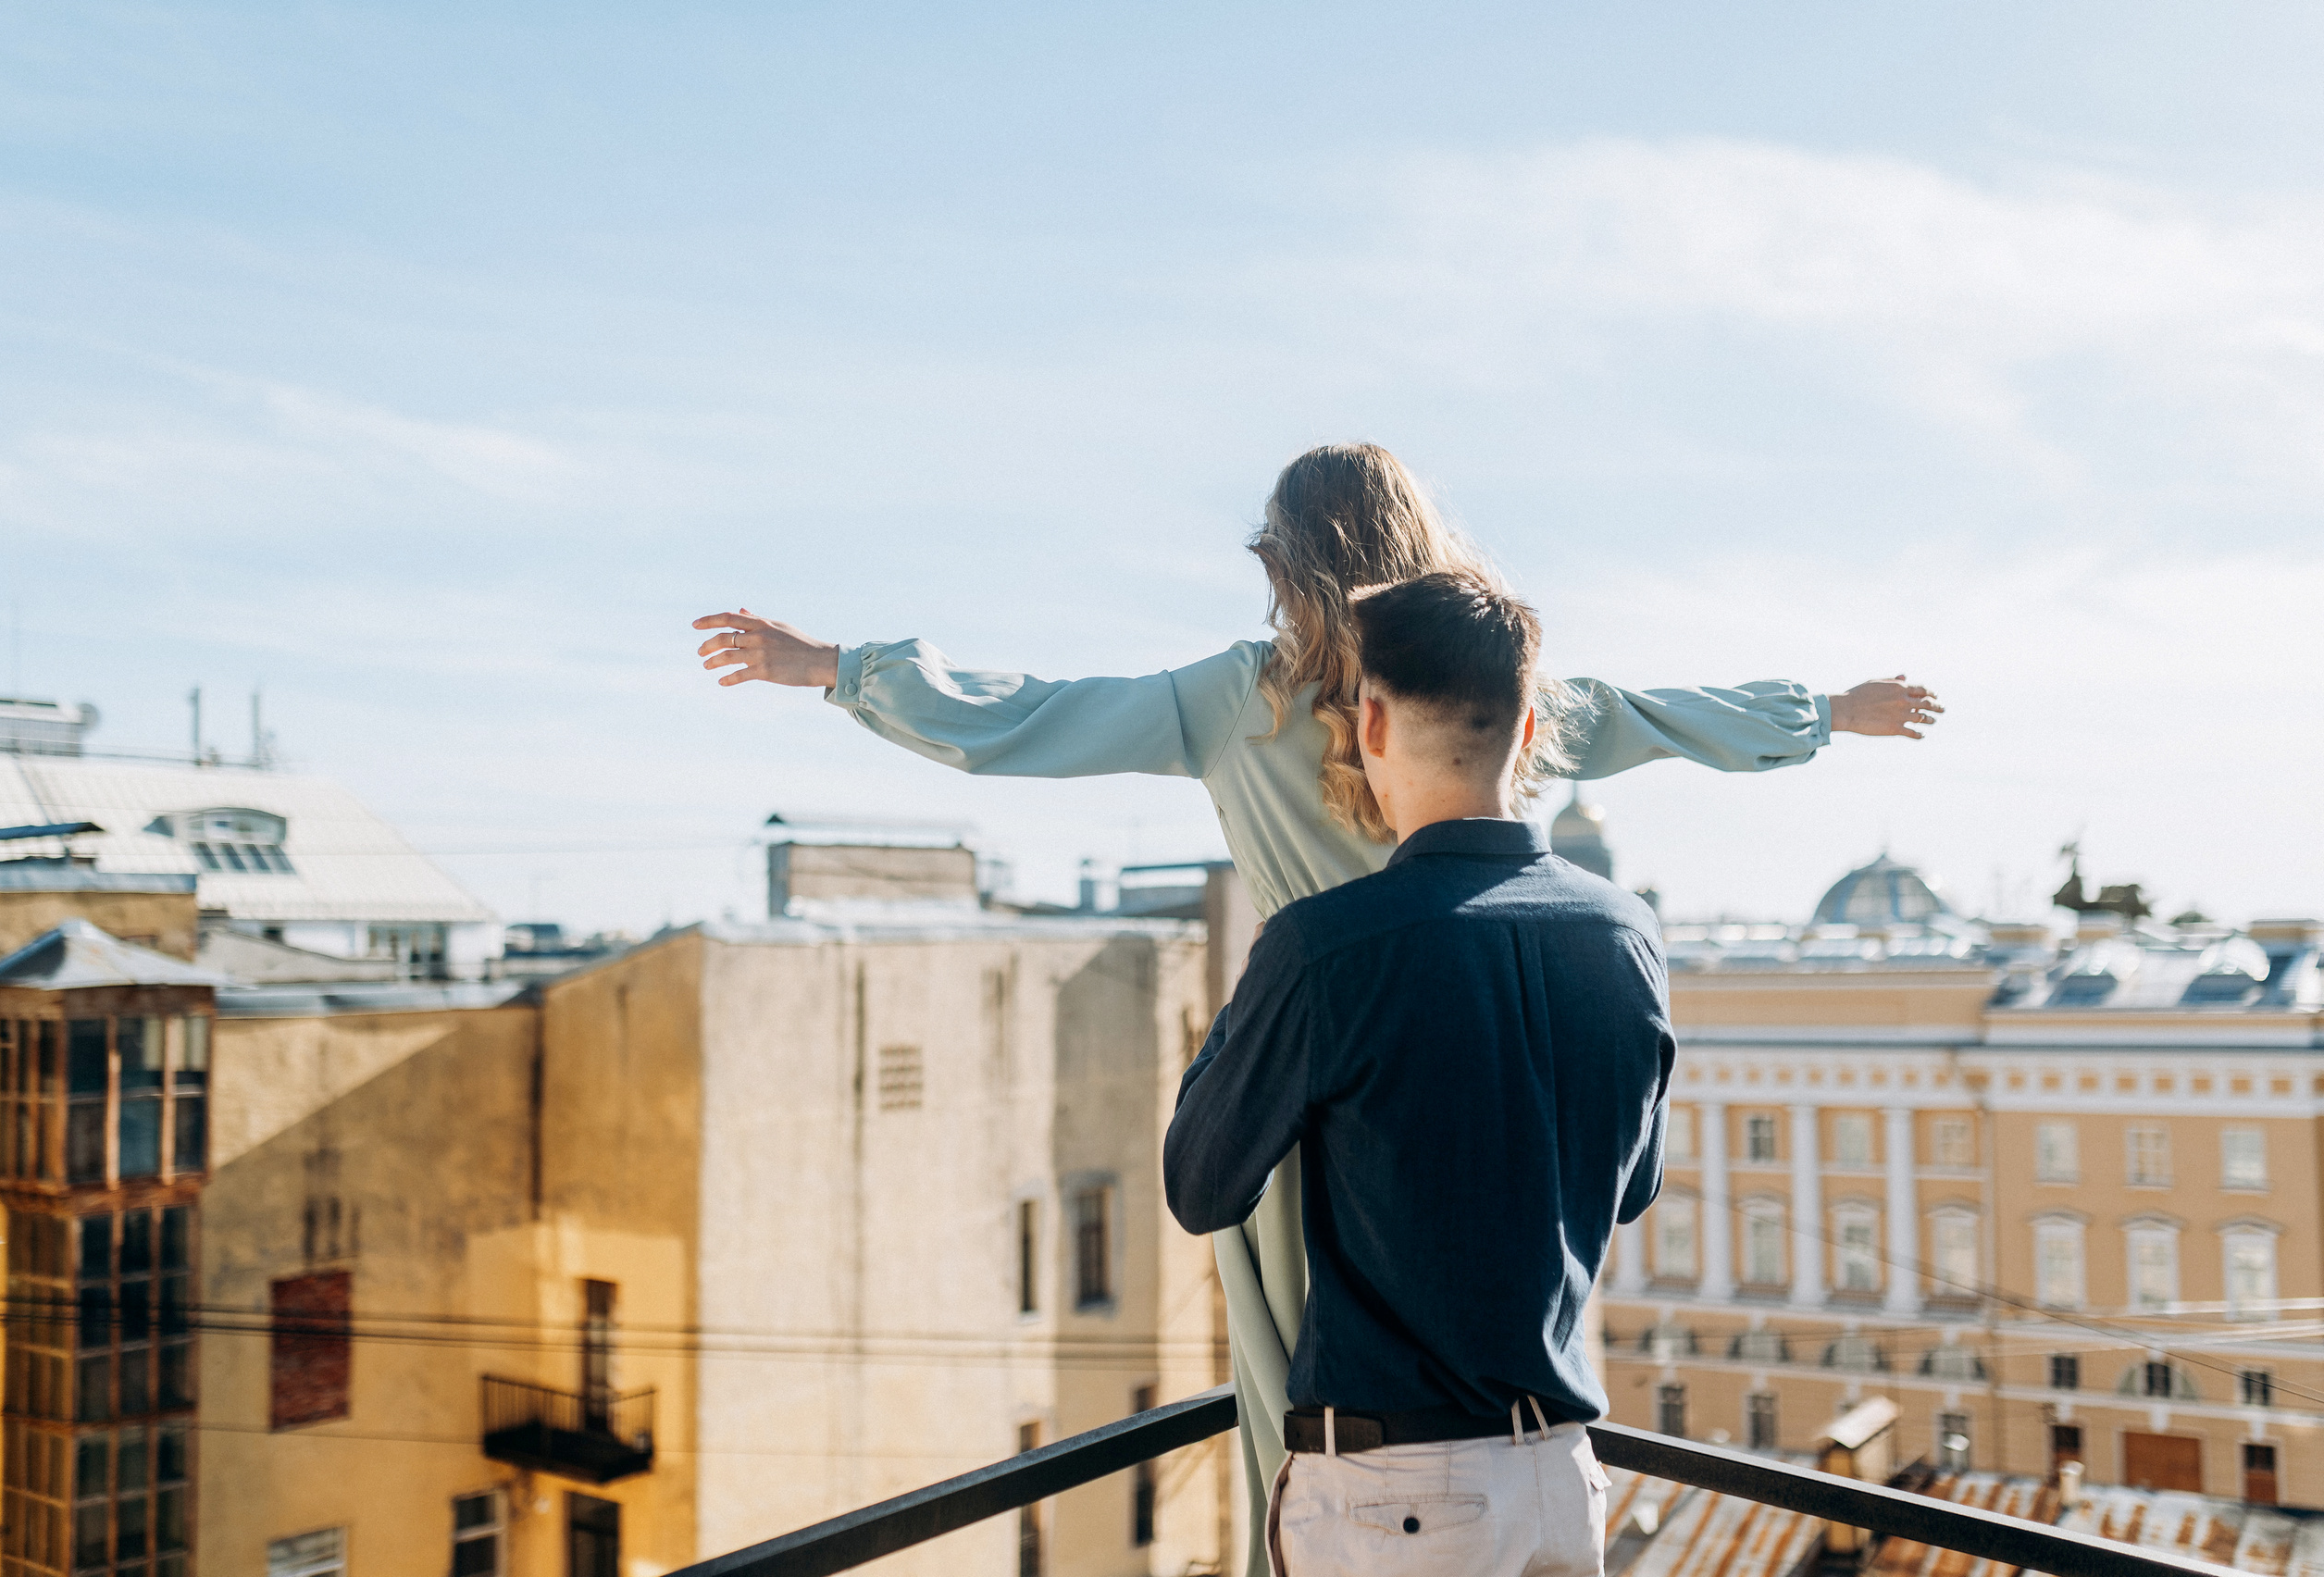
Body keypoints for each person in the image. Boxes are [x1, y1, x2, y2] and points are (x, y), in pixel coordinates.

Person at [690, 442, 1940, 1575]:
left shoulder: (1237, 700)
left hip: (1306, 1084)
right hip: (1484, 1100)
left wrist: (838, 671)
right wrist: (1828, 714)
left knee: (1313, 1410)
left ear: (1282, 566)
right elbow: (1662, 718)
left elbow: (1029, 714)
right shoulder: (1496, 698)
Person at [1163, 572, 1668, 1577]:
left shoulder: (1324, 948)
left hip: (1396, 1501)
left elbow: (1202, 1185)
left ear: (1372, 725)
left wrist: (1250, 996)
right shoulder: (1628, 933)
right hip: (1561, 1477)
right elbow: (1632, 1187)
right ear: (1528, 734)